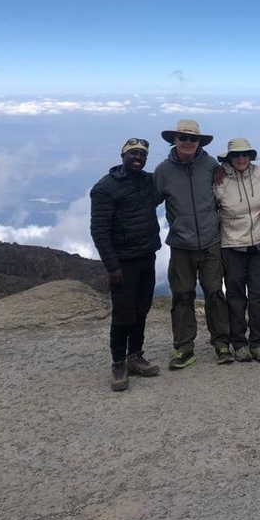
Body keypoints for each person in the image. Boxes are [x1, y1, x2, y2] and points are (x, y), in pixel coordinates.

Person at [154, 119, 232, 369]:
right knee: (182, 295)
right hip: (180, 244)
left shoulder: (210, 164)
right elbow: (149, 202)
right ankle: (185, 348)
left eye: (193, 139)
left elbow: (226, 186)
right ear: (174, 140)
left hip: (211, 241)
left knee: (214, 293)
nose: (188, 143)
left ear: (199, 142)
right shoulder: (163, 170)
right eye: (183, 138)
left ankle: (221, 342)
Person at [89, 137, 163, 392]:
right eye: (132, 154)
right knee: (123, 314)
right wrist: (112, 266)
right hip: (123, 263)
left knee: (141, 309)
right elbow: (99, 231)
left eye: (142, 154)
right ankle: (118, 363)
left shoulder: (147, 181)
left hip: (147, 256)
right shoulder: (105, 188)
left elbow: (172, 178)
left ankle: (136, 356)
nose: (137, 158)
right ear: (123, 156)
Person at [214, 137, 260, 363]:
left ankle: (259, 343)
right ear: (229, 158)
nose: (241, 158)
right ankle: (239, 343)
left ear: (251, 156)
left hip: (259, 244)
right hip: (232, 247)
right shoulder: (218, 180)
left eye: (245, 154)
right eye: (236, 155)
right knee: (236, 295)